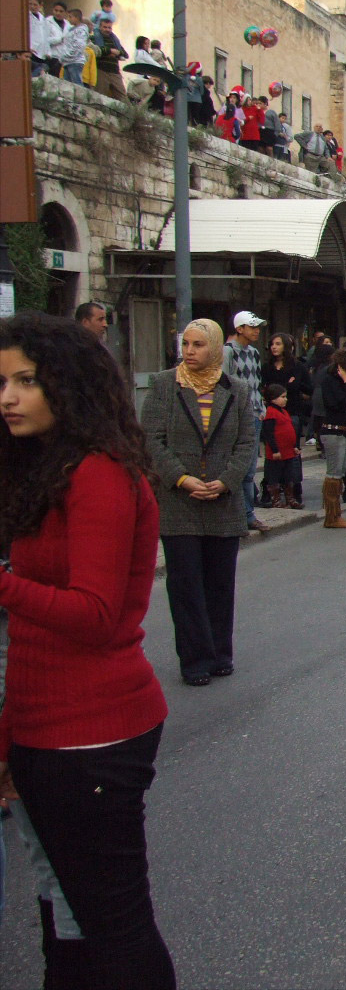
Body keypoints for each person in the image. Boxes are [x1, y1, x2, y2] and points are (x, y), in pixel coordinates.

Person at [0, 313, 177, 988]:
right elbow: (32, 640)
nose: (8, 398)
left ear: (68, 383)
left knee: (114, 926)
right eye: (1, 383)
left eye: (25, 381)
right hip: (44, 727)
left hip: (92, 735)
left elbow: (96, 615)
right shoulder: (49, 469)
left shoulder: (98, 474)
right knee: (66, 915)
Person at [141, 318, 257, 688]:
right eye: (186, 344)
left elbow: (246, 442)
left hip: (223, 501)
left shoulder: (236, 389)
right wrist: (181, 477)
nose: (189, 351)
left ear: (215, 348)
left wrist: (226, 481)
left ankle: (220, 653)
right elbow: (151, 440)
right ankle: (194, 659)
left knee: (220, 584)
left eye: (198, 345)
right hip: (180, 502)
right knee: (186, 585)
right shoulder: (164, 385)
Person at [220, 310, 269, 531]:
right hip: (237, 415)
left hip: (255, 414)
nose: (256, 331)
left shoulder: (255, 353)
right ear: (239, 329)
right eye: (252, 326)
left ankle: (248, 515)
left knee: (250, 469)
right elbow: (224, 385)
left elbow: (256, 383)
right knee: (239, 467)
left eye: (257, 327)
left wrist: (261, 407)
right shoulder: (228, 352)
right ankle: (241, 515)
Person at [314, 346, 346, 529]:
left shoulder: (342, 381)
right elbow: (343, 402)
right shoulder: (331, 380)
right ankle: (332, 516)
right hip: (333, 431)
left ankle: (335, 514)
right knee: (333, 474)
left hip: (343, 430)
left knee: (339, 473)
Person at [263, 331, 311, 460]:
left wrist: (296, 384)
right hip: (272, 413)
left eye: (278, 344)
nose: (274, 347)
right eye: (272, 344)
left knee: (292, 450)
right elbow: (266, 389)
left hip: (293, 411)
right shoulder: (267, 367)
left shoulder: (297, 366)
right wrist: (287, 384)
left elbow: (309, 388)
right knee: (273, 446)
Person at [259, 384, 303, 509]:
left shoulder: (284, 411)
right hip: (277, 452)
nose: (286, 399)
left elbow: (290, 430)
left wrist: (294, 446)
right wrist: (275, 450)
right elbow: (269, 433)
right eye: (282, 397)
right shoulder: (270, 412)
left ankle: (290, 498)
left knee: (288, 475)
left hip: (288, 451)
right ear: (273, 398)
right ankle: (276, 500)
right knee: (274, 476)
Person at [90, 18, 129, 101]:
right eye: (105, 27)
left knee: (123, 98)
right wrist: (110, 51)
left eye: (109, 27)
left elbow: (125, 54)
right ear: (100, 27)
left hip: (115, 72)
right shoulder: (94, 38)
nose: (107, 30)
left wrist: (117, 53)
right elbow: (95, 50)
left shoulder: (115, 41)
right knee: (100, 96)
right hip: (101, 71)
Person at [54, 7, 90, 86]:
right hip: (68, 61)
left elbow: (78, 47)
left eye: (70, 17)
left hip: (75, 62)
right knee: (67, 85)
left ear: (76, 18)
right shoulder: (71, 30)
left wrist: (66, 56)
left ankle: (80, 95)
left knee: (77, 84)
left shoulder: (81, 31)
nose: (68, 19)